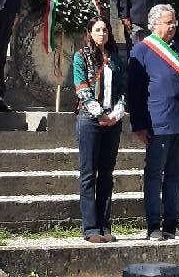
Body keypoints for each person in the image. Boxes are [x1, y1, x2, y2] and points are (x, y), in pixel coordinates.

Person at [127, 4, 179, 241]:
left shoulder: (177, 49)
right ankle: (153, 224)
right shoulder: (142, 50)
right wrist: (138, 124)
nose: (173, 26)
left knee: (176, 175)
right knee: (155, 175)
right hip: (157, 122)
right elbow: (134, 92)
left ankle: (172, 222)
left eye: (174, 22)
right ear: (154, 24)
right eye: (168, 22)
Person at [72, 16, 126, 243]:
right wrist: (99, 114)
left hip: (112, 121)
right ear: (90, 33)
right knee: (88, 174)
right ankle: (91, 228)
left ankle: (104, 225)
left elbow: (123, 88)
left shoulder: (116, 59)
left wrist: (116, 112)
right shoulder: (80, 56)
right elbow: (81, 87)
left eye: (105, 29)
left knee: (107, 174)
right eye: (97, 30)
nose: (102, 33)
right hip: (90, 120)